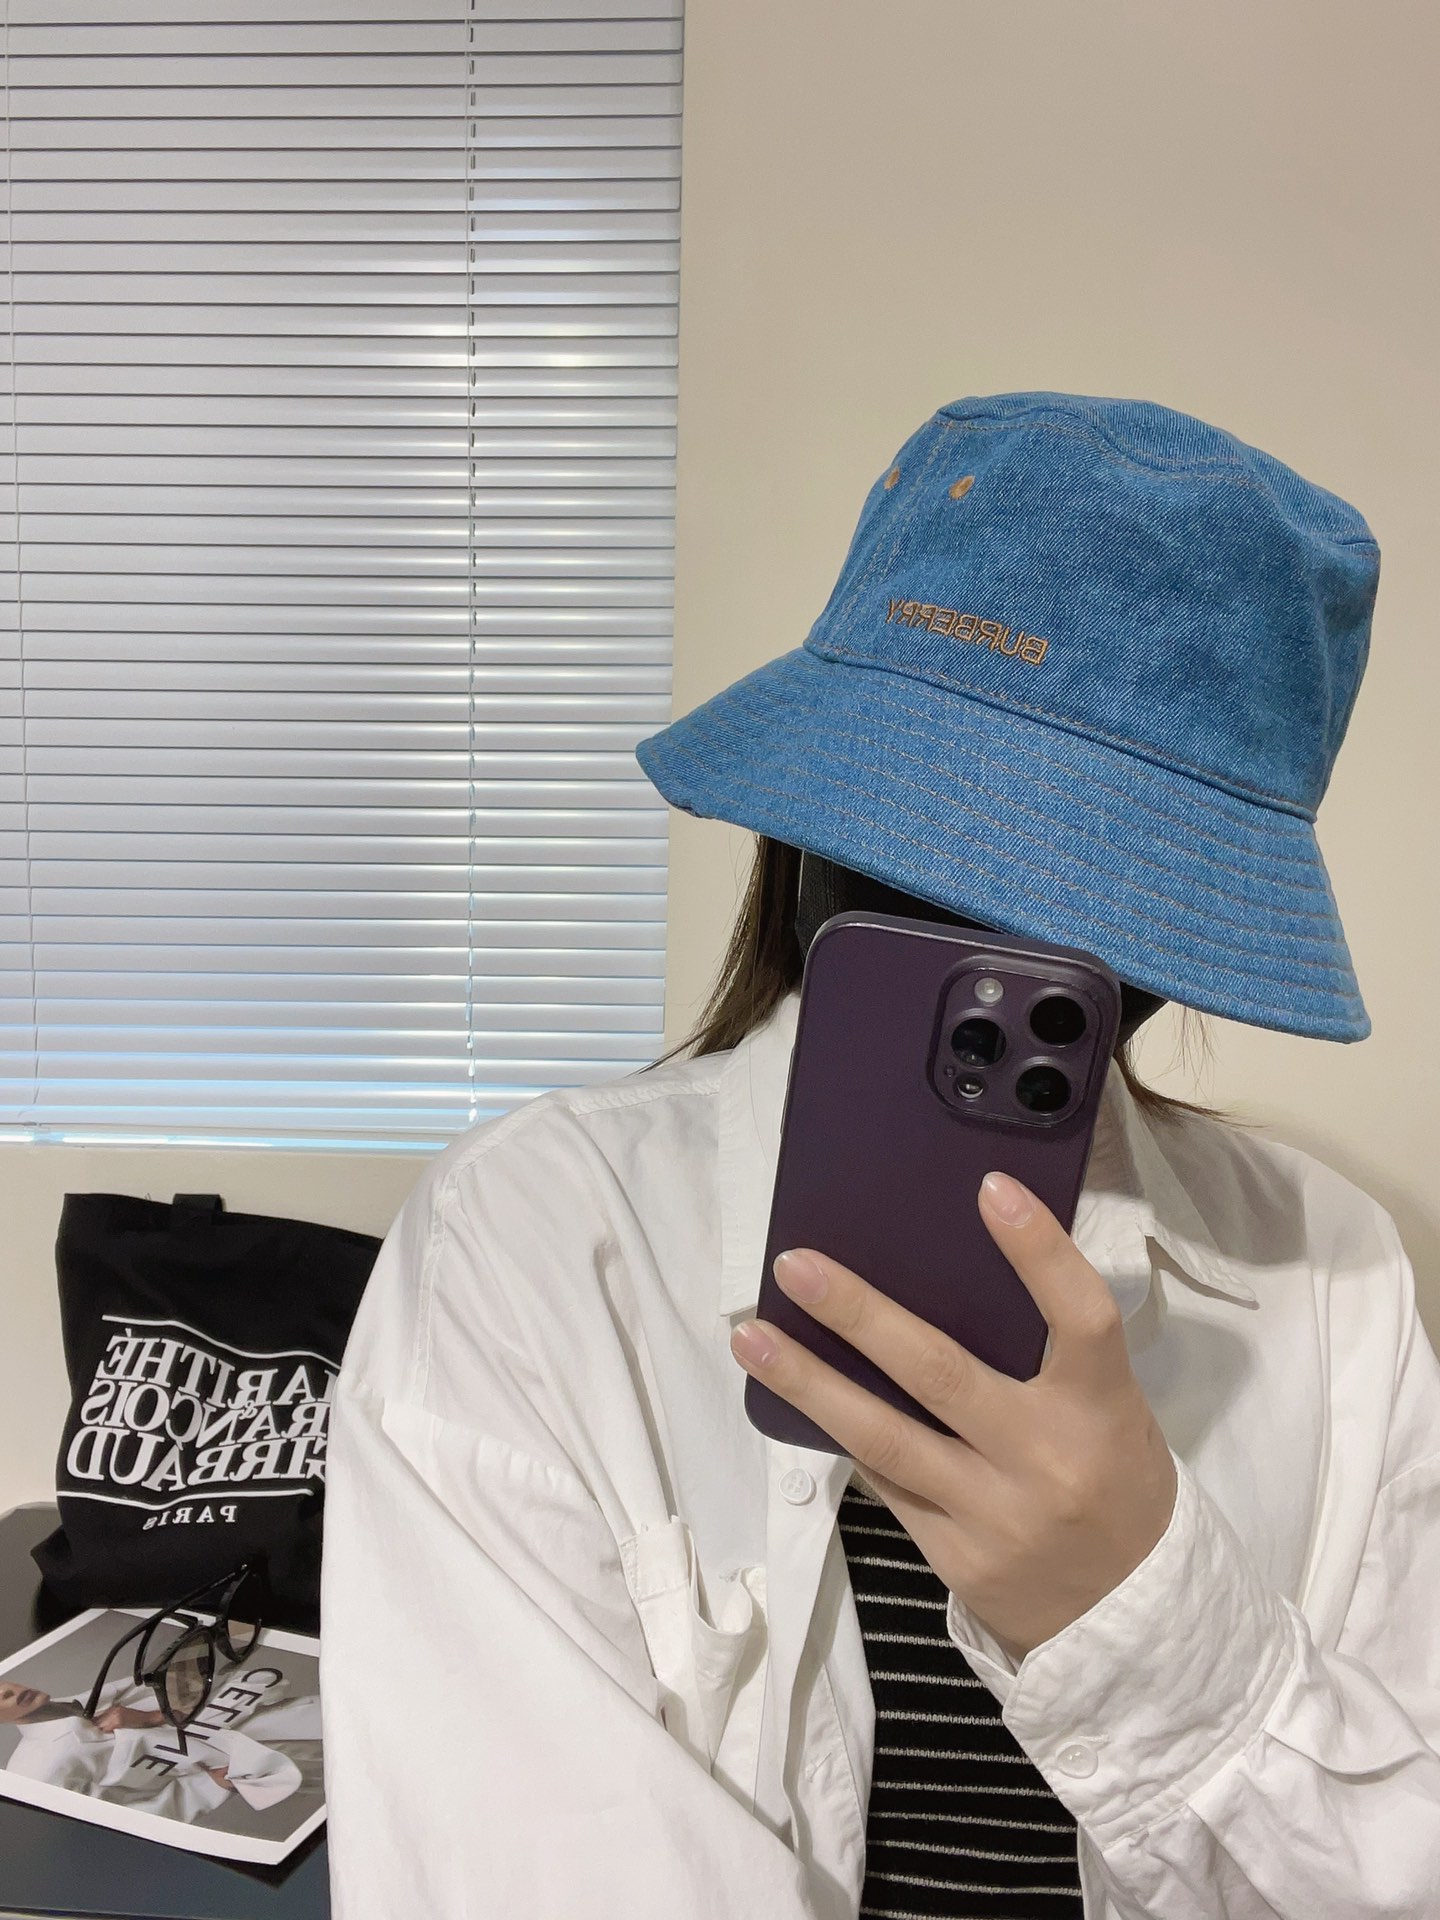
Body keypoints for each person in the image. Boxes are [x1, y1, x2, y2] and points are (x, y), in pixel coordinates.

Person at [320, 392, 1440, 1919]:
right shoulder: (532, 1242)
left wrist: (1146, 1626)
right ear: (803, 833)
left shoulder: (1331, 1282)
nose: (989, 928)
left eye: (1100, 877)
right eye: (925, 828)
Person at [0, 1661, 320, 1823]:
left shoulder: (88, 1699)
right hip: (277, 1768)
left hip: (295, 1716)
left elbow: (198, 1676)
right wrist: (209, 1785)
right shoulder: (35, 1773)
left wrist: (153, 1716)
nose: (6, 1693)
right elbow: (130, 1820)